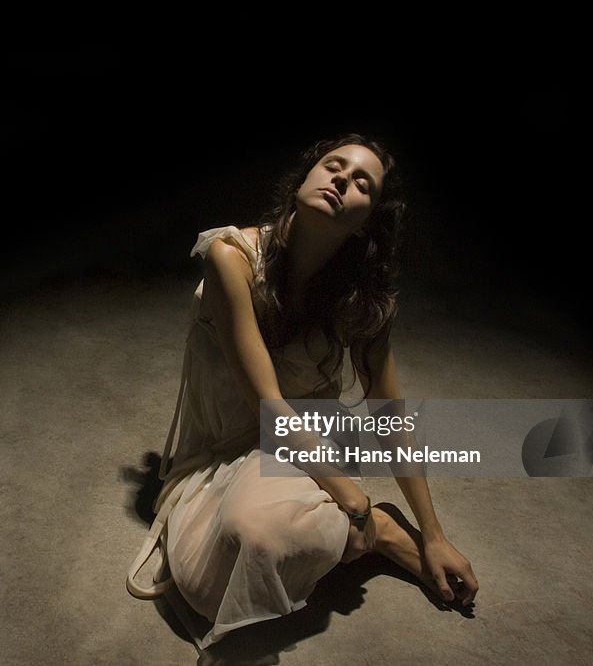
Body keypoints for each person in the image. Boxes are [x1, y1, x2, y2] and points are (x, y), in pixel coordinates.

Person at [125, 133, 479, 650]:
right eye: (334, 165)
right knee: (206, 591)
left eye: (363, 182)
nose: (342, 179)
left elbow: (390, 416)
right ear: (302, 181)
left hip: (309, 437)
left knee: (263, 540)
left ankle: (388, 532)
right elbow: (266, 407)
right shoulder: (234, 257)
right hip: (240, 435)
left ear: (368, 220)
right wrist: (356, 503)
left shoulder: (366, 295)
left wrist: (434, 535)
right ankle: (379, 529)